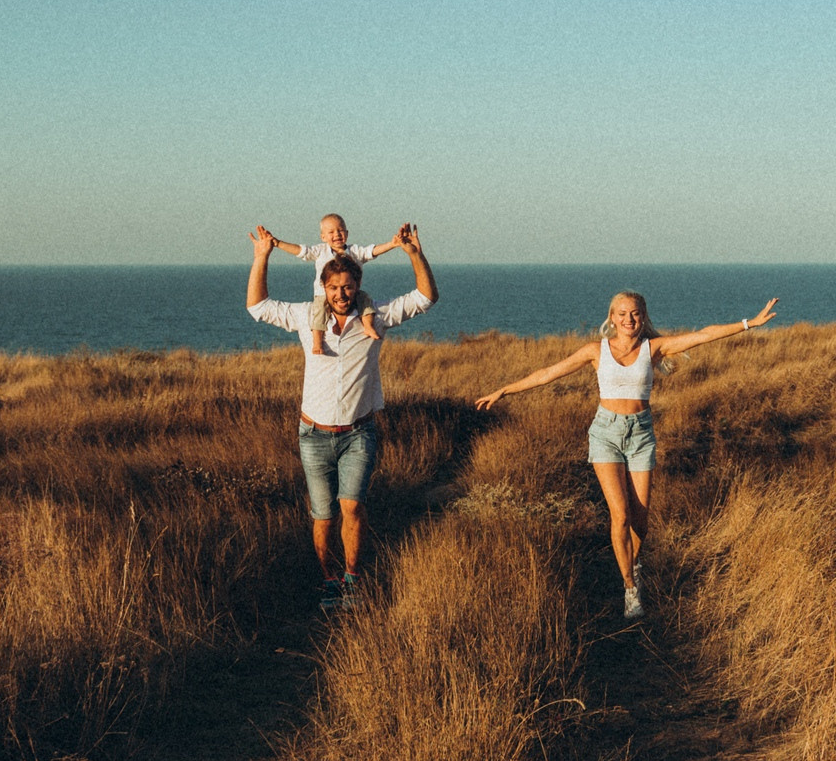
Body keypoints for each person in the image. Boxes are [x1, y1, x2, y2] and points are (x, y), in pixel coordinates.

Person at [474, 292, 779, 619]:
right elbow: (548, 372)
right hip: (606, 434)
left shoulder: (654, 348)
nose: (628, 319)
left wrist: (751, 323)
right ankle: (630, 587)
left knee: (640, 521)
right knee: (619, 515)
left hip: (641, 435)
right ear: (612, 317)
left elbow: (704, 334)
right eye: (622, 313)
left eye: (634, 313)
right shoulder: (596, 351)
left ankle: (634, 562)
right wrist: (504, 390)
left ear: (643, 315)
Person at [247, 222, 437, 608]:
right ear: (324, 288)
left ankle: (353, 579)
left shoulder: (376, 318)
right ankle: (330, 580)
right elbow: (258, 307)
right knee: (324, 516)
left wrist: (414, 253)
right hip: (312, 435)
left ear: (358, 287)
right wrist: (262, 258)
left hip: (358, 433)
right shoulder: (306, 318)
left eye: (347, 287)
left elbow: (425, 297)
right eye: (333, 288)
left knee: (351, 505)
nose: (340, 294)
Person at [257, 213, 389, 354]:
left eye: (340, 230)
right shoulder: (320, 251)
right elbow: (301, 251)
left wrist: (393, 244)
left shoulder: (355, 251)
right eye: (331, 232)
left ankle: (368, 326)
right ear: (323, 237)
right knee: (318, 315)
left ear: (347, 233)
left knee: (366, 303)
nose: (337, 234)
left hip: (352, 293)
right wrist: (277, 243)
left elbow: (372, 251)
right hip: (323, 295)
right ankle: (318, 342)